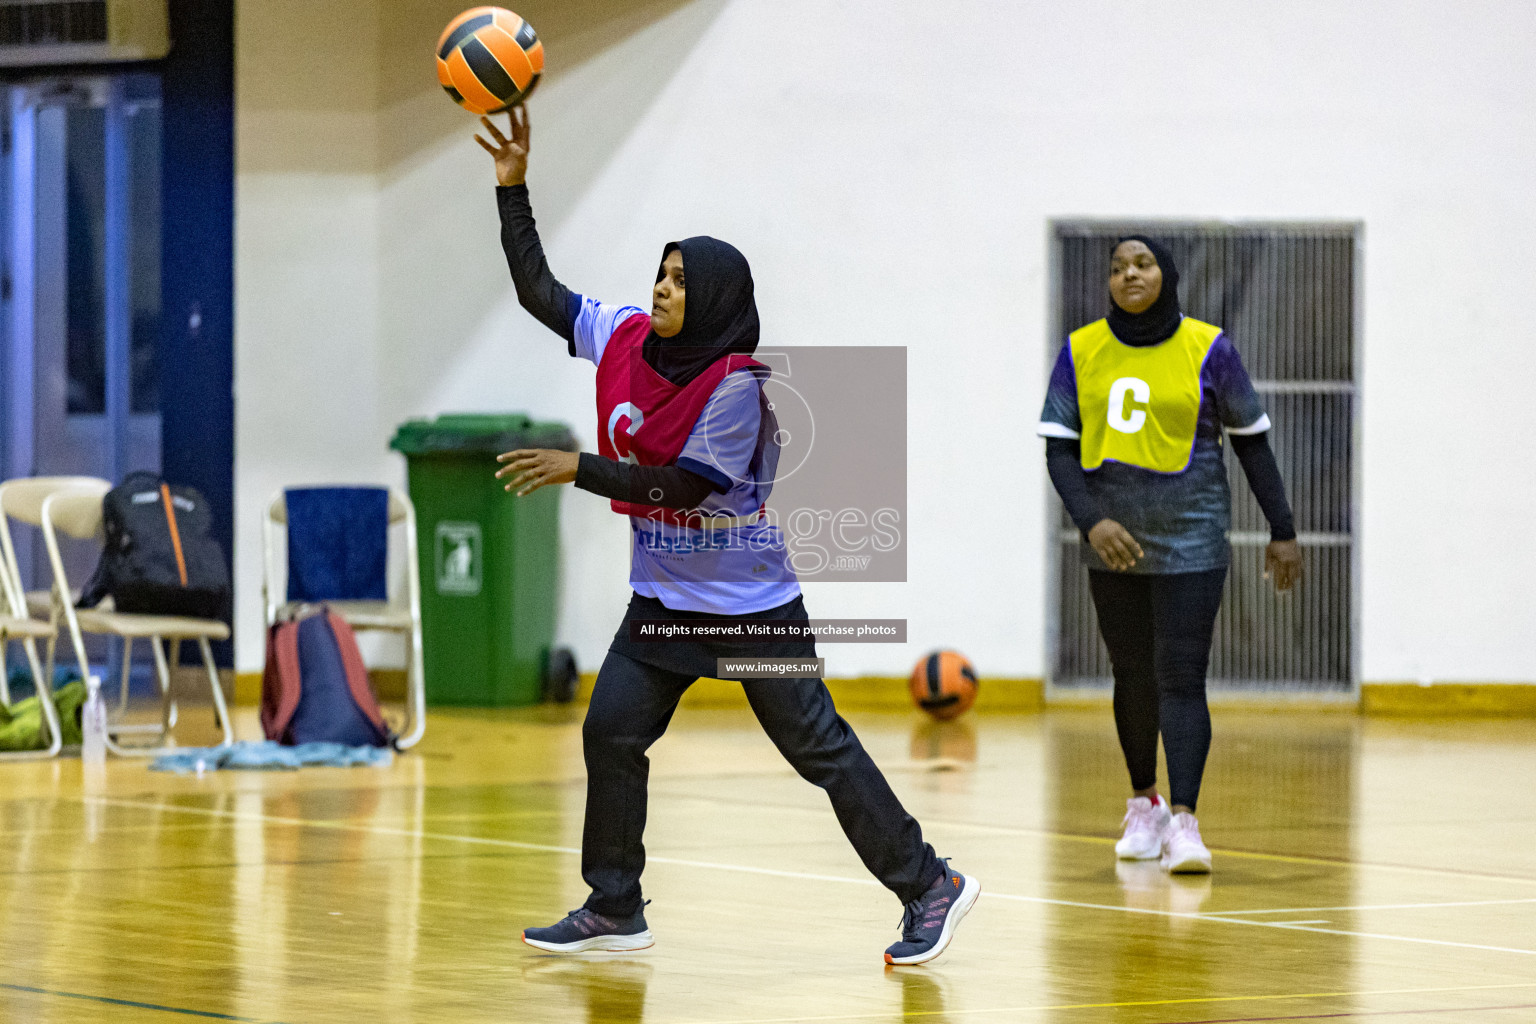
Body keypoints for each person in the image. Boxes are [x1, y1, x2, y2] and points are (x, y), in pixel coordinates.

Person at [475, 106, 978, 964]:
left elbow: (684, 487)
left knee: (818, 748)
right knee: (611, 729)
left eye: (678, 278)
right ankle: (614, 906)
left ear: (712, 296)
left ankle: (930, 884)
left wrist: (580, 468)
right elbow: (539, 293)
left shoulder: (736, 386)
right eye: (660, 272)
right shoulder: (625, 337)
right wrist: (512, 186)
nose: (662, 286)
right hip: (665, 603)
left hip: (753, 609)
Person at [1037, 236, 1302, 874]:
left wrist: (1283, 528)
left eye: (1143, 263)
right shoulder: (1080, 350)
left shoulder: (1210, 348)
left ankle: (1185, 821)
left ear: (1168, 274)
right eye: (1118, 267)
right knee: (1131, 675)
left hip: (1193, 538)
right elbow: (1058, 451)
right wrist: (1092, 521)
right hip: (1115, 544)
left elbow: (1253, 445)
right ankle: (1143, 803)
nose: (1129, 274)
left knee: (1180, 675)